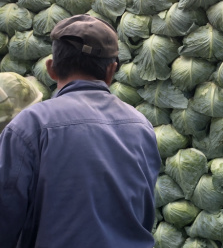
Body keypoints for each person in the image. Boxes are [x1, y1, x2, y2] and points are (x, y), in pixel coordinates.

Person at [0, 14, 161, 248]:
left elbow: (5, 215)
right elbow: (143, 214)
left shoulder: (30, 125)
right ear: (111, 71)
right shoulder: (140, 125)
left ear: (51, 68)